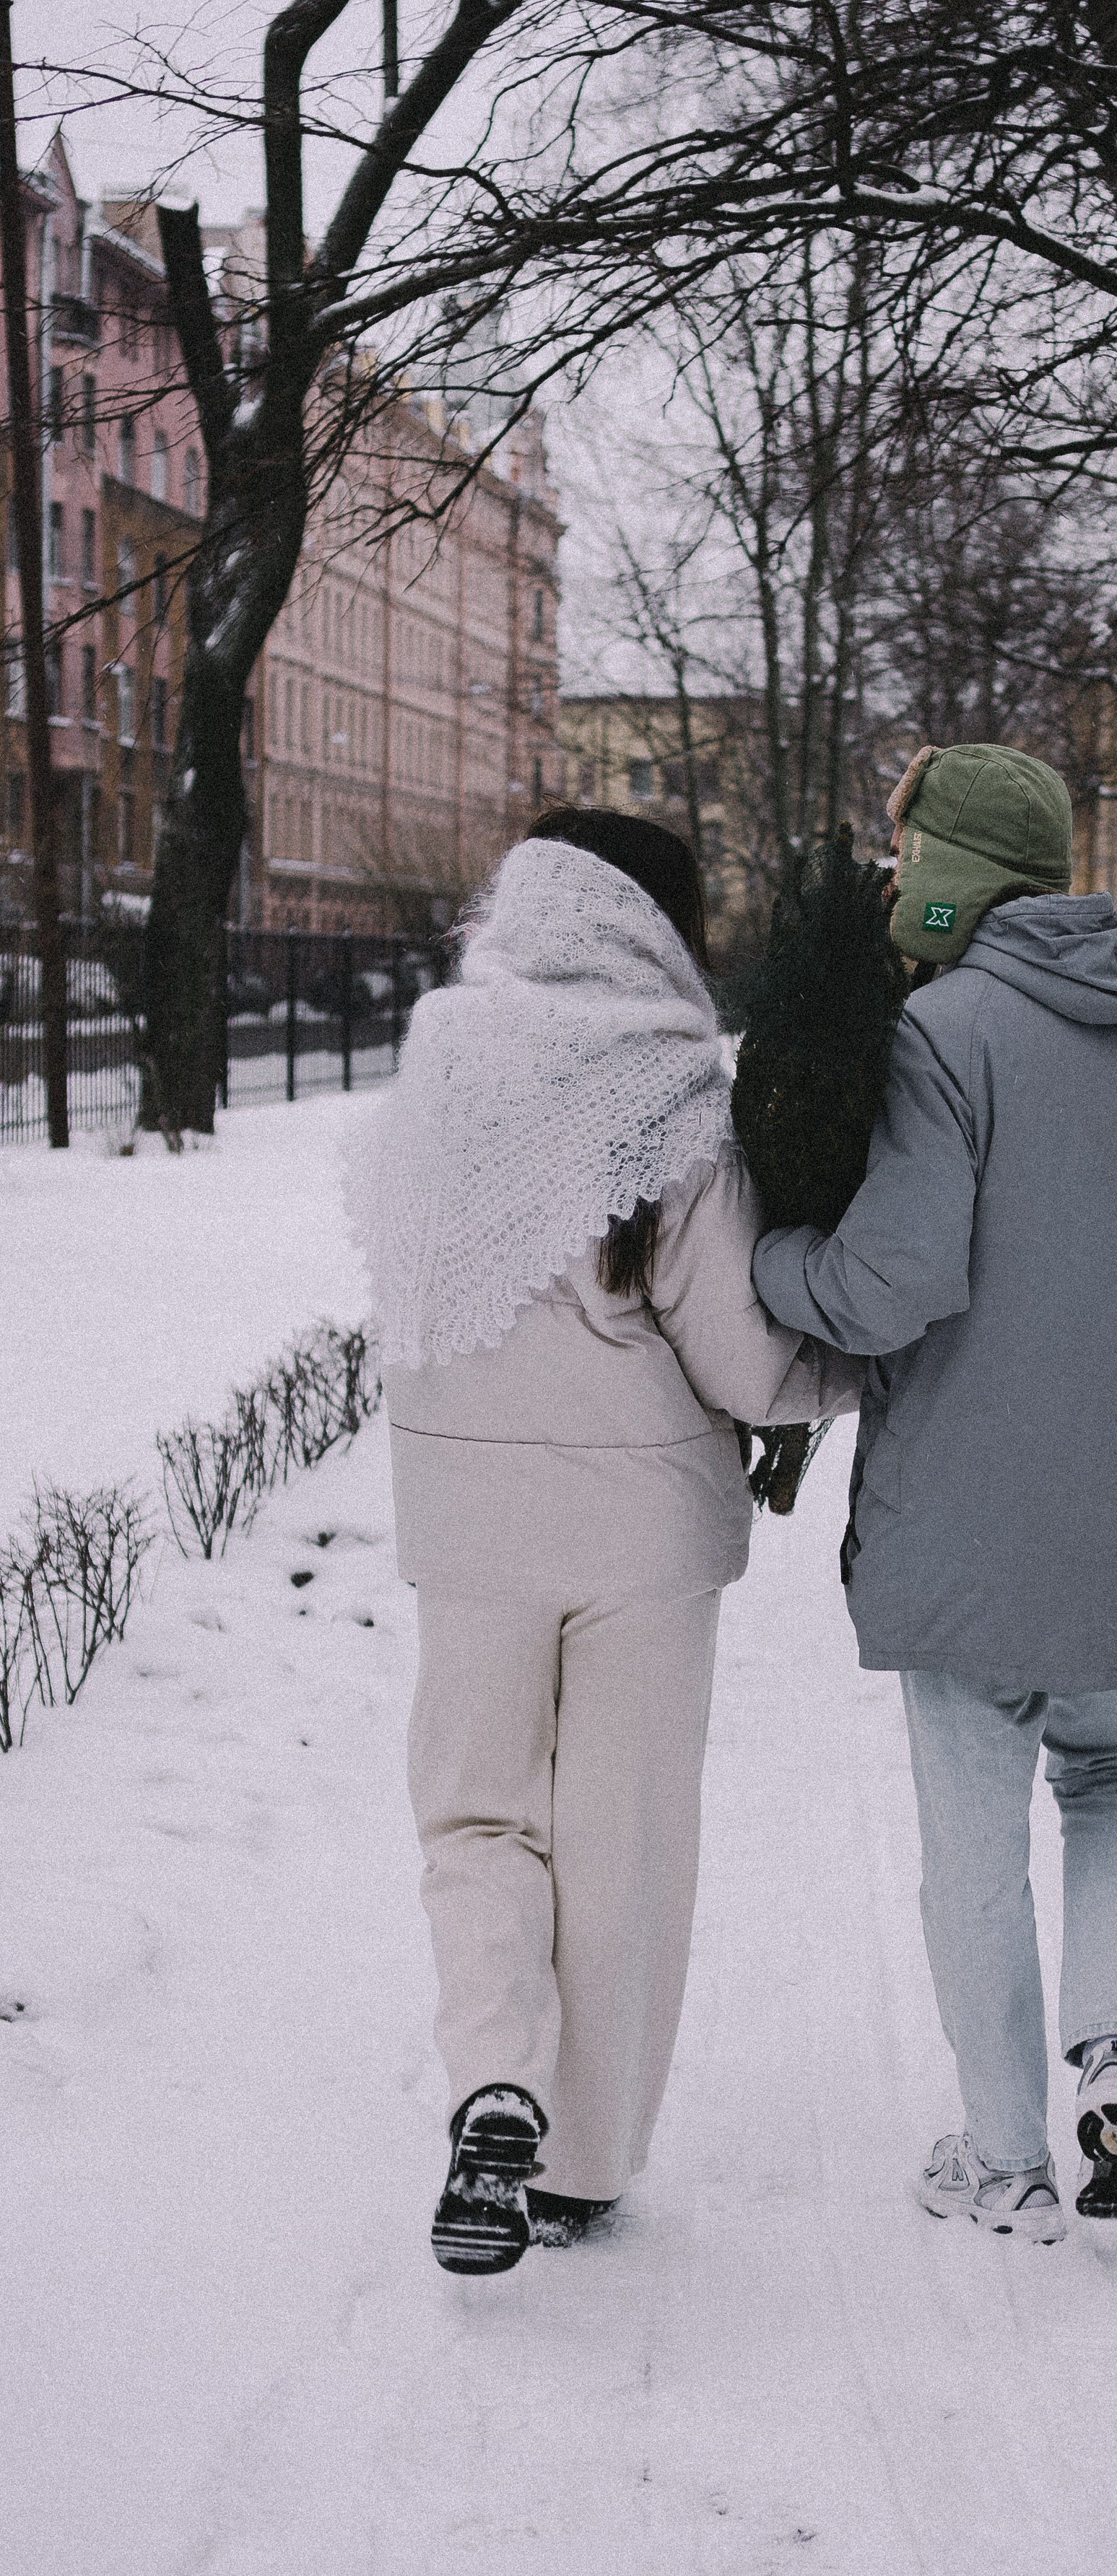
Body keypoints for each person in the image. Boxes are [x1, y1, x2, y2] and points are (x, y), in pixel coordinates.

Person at [752, 743, 1117, 2240]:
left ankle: (1003, 2158)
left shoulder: (944, 1034)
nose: (891, 876)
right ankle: (1116, 2068)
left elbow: (895, 1279)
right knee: (1115, 1783)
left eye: (906, 851)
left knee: (974, 1842)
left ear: (960, 871)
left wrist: (772, 1265)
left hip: (972, 1520)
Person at [351, 809, 861, 2276]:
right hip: (645, 1536)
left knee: (477, 1823)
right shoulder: (672, 1096)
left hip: (468, 1528)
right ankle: (576, 2168)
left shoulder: (440, 1066)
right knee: (624, 1839)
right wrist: (844, 1375)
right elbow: (744, 1360)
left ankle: (493, 2083)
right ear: (658, 922)